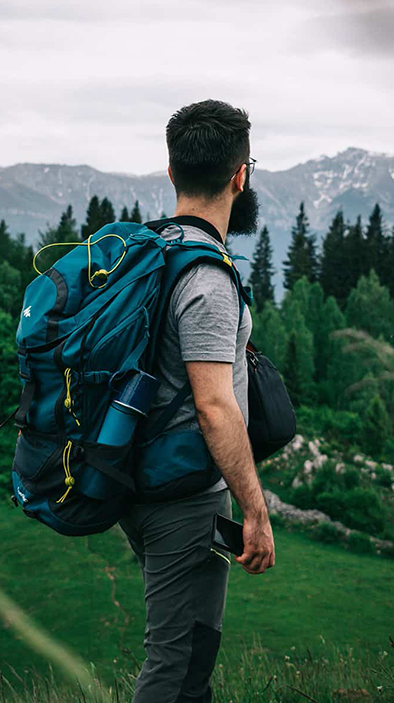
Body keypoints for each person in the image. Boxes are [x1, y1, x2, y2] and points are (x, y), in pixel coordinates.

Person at [119, 100, 275, 702]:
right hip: (182, 494)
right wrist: (254, 511)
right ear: (240, 175)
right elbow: (214, 408)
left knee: (190, 660)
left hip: (140, 476)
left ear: (171, 172)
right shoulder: (207, 278)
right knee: (177, 664)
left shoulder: (151, 252)